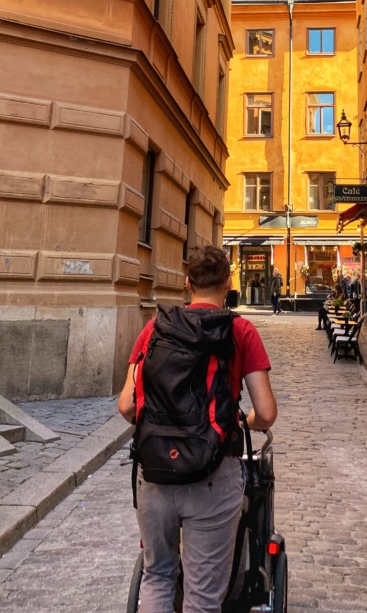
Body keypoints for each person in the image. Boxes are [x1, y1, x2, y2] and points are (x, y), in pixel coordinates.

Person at [118, 246, 277, 613]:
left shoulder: (154, 328)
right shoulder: (240, 330)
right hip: (212, 476)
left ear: (187, 282)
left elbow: (127, 405)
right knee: (202, 597)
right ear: (228, 284)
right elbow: (266, 412)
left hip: (155, 475)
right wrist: (242, 422)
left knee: (157, 577)